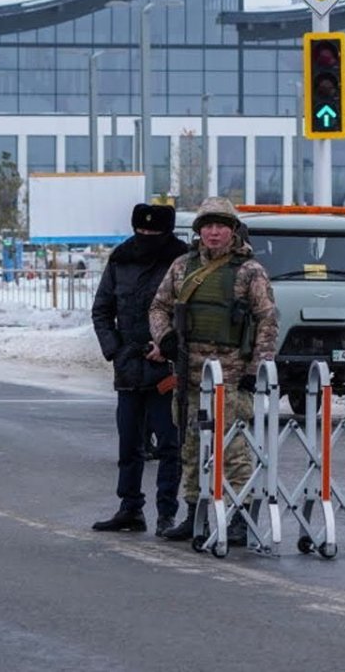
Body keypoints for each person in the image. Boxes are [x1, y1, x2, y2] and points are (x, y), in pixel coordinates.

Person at [148, 196, 279, 543]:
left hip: (232, 375)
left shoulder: (249, 271)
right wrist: (165, 338)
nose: (214, 232)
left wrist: (257, 368)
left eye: (221, 226)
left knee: (234, 449)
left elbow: (267, 320)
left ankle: (238, 518)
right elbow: (158, 307)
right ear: (199, 231)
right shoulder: (181, 267)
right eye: (208, 226)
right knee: (189, 447)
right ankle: (195, 514)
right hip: (189, 375)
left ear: (233, 230)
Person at [91, 203, 188, 536]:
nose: (146, 237)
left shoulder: (182, 260)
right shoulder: (120, 259)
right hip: (129, 368)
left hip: (168, 369)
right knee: (129, 444)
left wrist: (171, 346)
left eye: (153, 232)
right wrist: (116, 351)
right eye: (141, 231)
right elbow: (102, 311)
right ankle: (130, 508)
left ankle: (167, 514)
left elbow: (189, 313)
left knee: (170, 446)